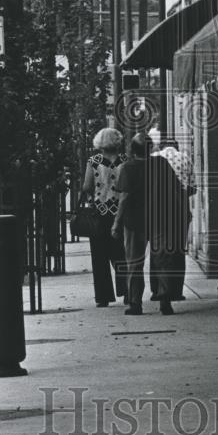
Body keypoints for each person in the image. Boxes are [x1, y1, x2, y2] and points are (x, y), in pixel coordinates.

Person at [81, 127, 127, 307]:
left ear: (99, 143)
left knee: (99, 256)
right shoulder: (125, 160)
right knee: (120, 254)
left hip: (99, 213)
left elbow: (86, 186)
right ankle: (127, 290)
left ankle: (103, 296)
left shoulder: (94, 161)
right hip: (119, 212)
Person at [146, 143, 192, 315]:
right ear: (177, 147)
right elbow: (192, 188)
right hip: (180, 210)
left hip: (158, 209)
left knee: (158, 250)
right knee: (178, 250)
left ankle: (158, 289)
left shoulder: (155, 160)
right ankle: (175, 290)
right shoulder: (185, 159)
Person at [111, 132, 151, 316]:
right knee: (161, 261)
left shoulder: (127, 168)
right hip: (158, 219)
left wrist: (116, 223)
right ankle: (164, 297)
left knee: (135, 263)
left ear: (132, 150)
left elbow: (124, 197)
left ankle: (135, 302)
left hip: (134, 221)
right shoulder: (159, 165)